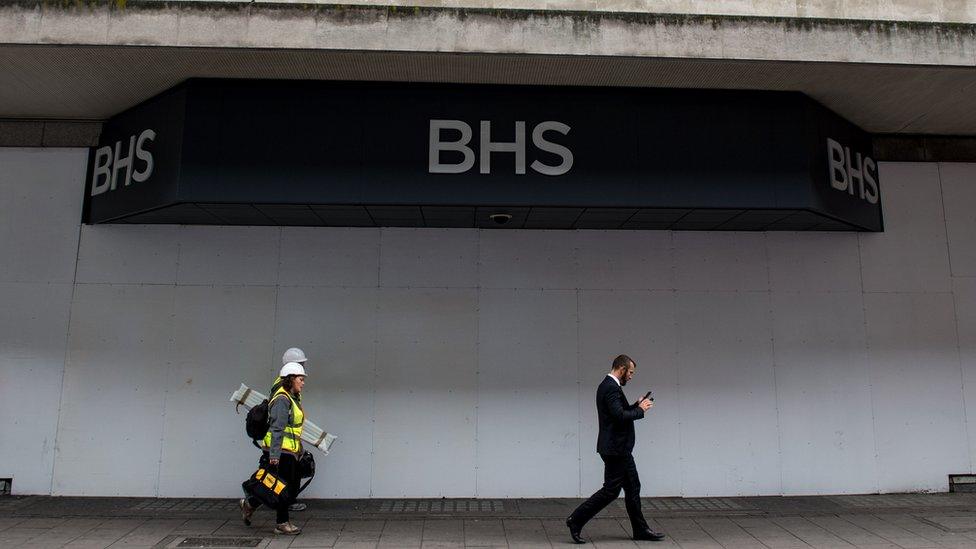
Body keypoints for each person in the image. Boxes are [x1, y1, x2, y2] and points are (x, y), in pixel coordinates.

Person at [566, 355, 665, 544]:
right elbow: (619, 416)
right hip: (615, 449)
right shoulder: (610, 388)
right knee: (611, 491)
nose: (631, 376)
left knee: (633, 487)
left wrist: (635, 405)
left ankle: (640, 529)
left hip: (620, 449)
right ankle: (575, 520)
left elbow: (618, 412)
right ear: (621, 368)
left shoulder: (610, 386)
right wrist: (641, 410)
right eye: (630, 372)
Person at [241, 361, 307, 535]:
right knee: (285, 488)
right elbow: (278, 428)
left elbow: (292, 428)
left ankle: (250, 503)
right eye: (300, 379)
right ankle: (282, 523)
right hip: (280, 452)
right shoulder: (282, 400)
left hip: (289, 451)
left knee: (278, 486)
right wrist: (275, 455)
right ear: (291, 379)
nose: (303, 382)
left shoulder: (291, 397)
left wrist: (298, 449)